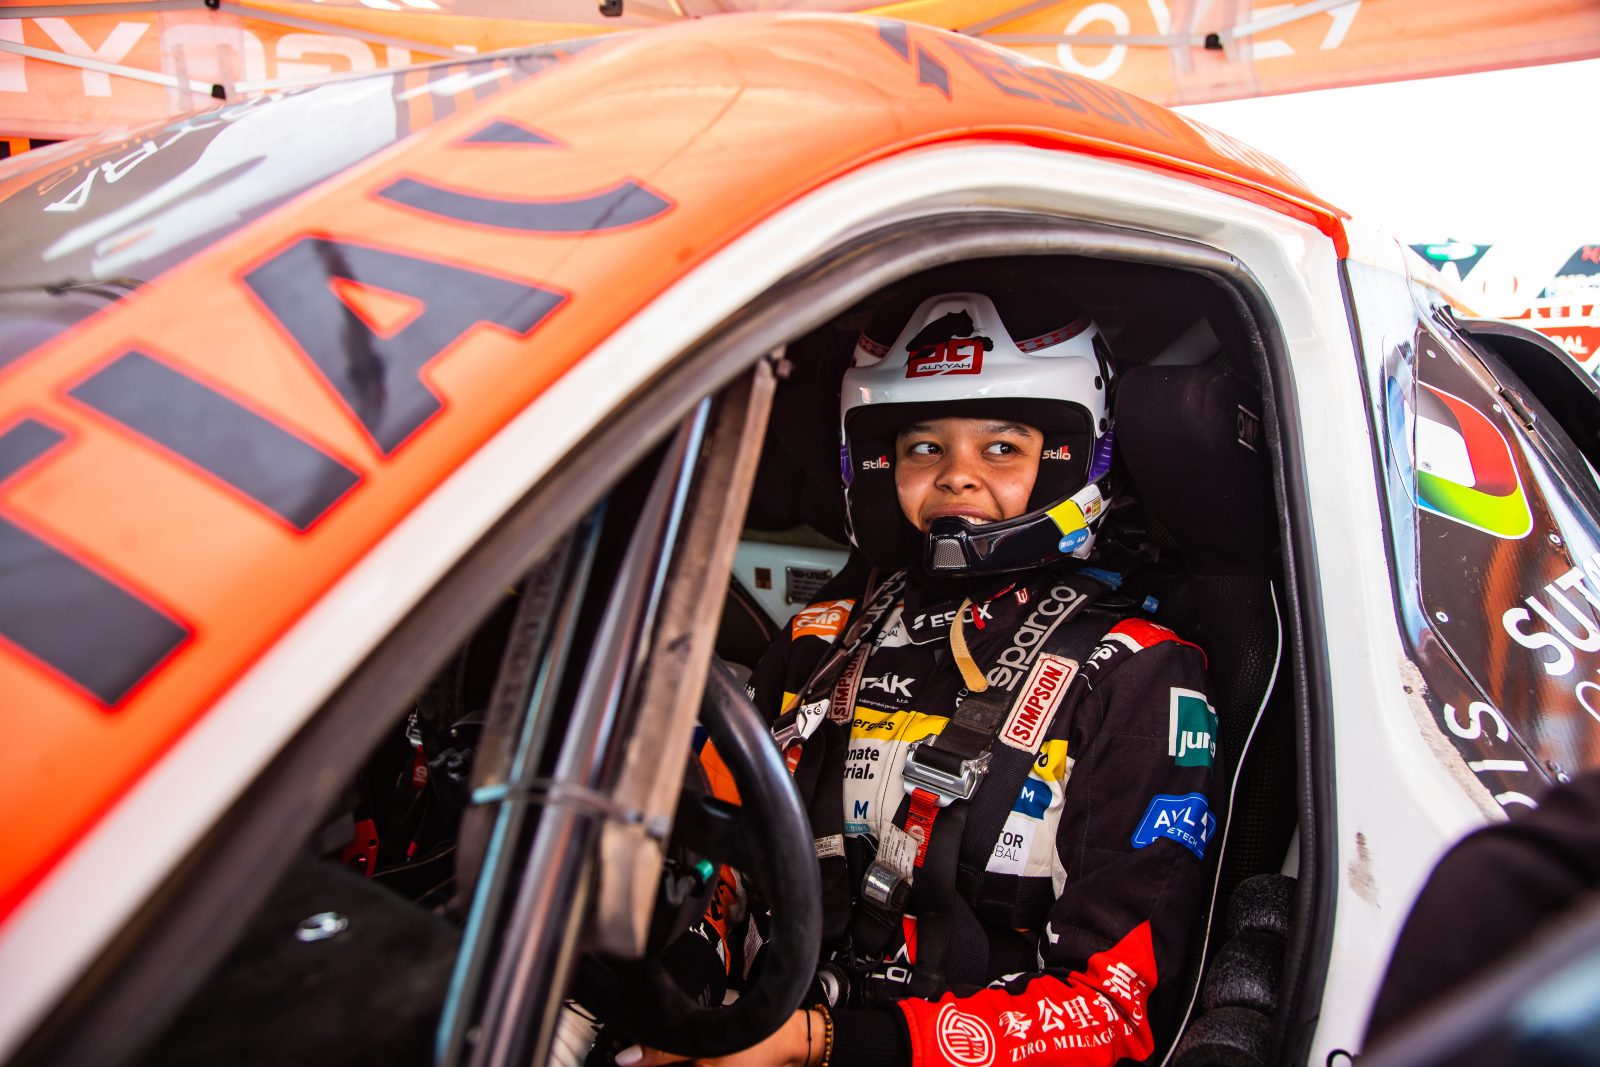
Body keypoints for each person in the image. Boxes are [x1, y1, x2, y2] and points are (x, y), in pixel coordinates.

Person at [623, 280, 1216, 1067]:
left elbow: (1113, 1015)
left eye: (1001, 447)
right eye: (923, 447)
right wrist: (684, 980)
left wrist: (822, 1044)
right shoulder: (822, 638)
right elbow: (717, 844)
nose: (955, 476)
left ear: (1068, 457)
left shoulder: (1137, 673)